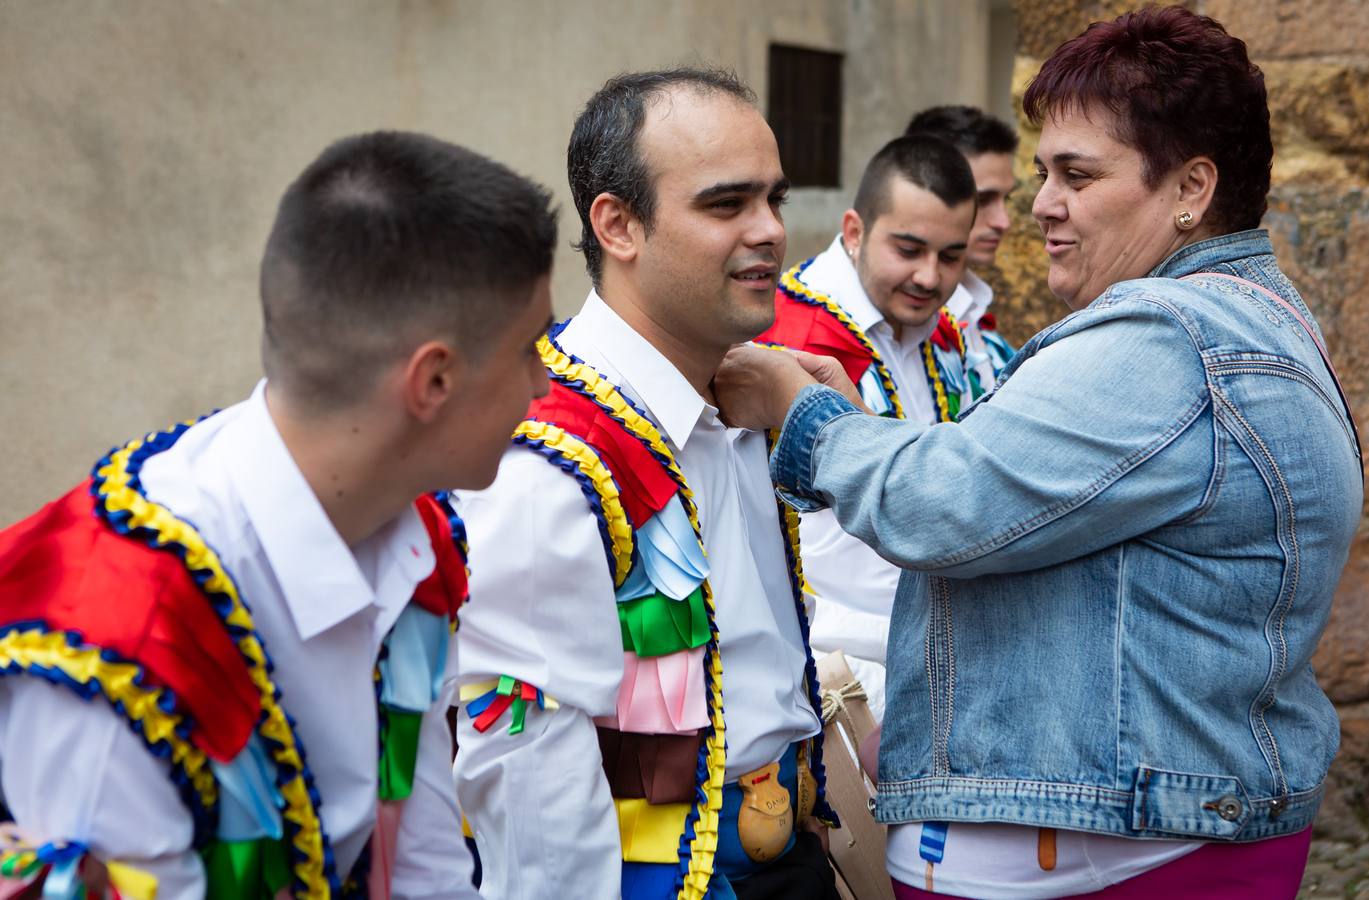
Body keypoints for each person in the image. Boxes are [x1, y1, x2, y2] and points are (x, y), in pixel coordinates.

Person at [716, 6, 1364, 898]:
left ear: (1190, 188)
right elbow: (1033, 500)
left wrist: (803, 418)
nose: (1040, 205)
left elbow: (946, 502)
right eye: (1041, 171)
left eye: (1076, 174)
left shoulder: (1166, 338)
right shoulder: (1251, 315)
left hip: (1111, 851)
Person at [0, 131, 557, 898]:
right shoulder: (119, 653)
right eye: (530, 348)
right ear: (433, 381)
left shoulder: (409, 527)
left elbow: (423, 861)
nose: (543, 384)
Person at [451, 68, 838, 900]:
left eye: (774, 197)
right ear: (618, 225)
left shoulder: (751, 394)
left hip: (793, 854)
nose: (771, 230)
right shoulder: (543, 455)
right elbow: (524, 767)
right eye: (725, 204)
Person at [753, 136, 976, 717]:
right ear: (853, 232)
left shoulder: (942, 329)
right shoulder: (787, 344)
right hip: (836, 665)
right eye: (909, 249)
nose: (929, 277)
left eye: (951, 256)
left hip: (933, 643)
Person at [904, 105, 1019, 394]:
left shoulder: (971, 306)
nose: (1003, 222)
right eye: (984, 199)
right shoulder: (897, 317)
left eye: (1006, 199)